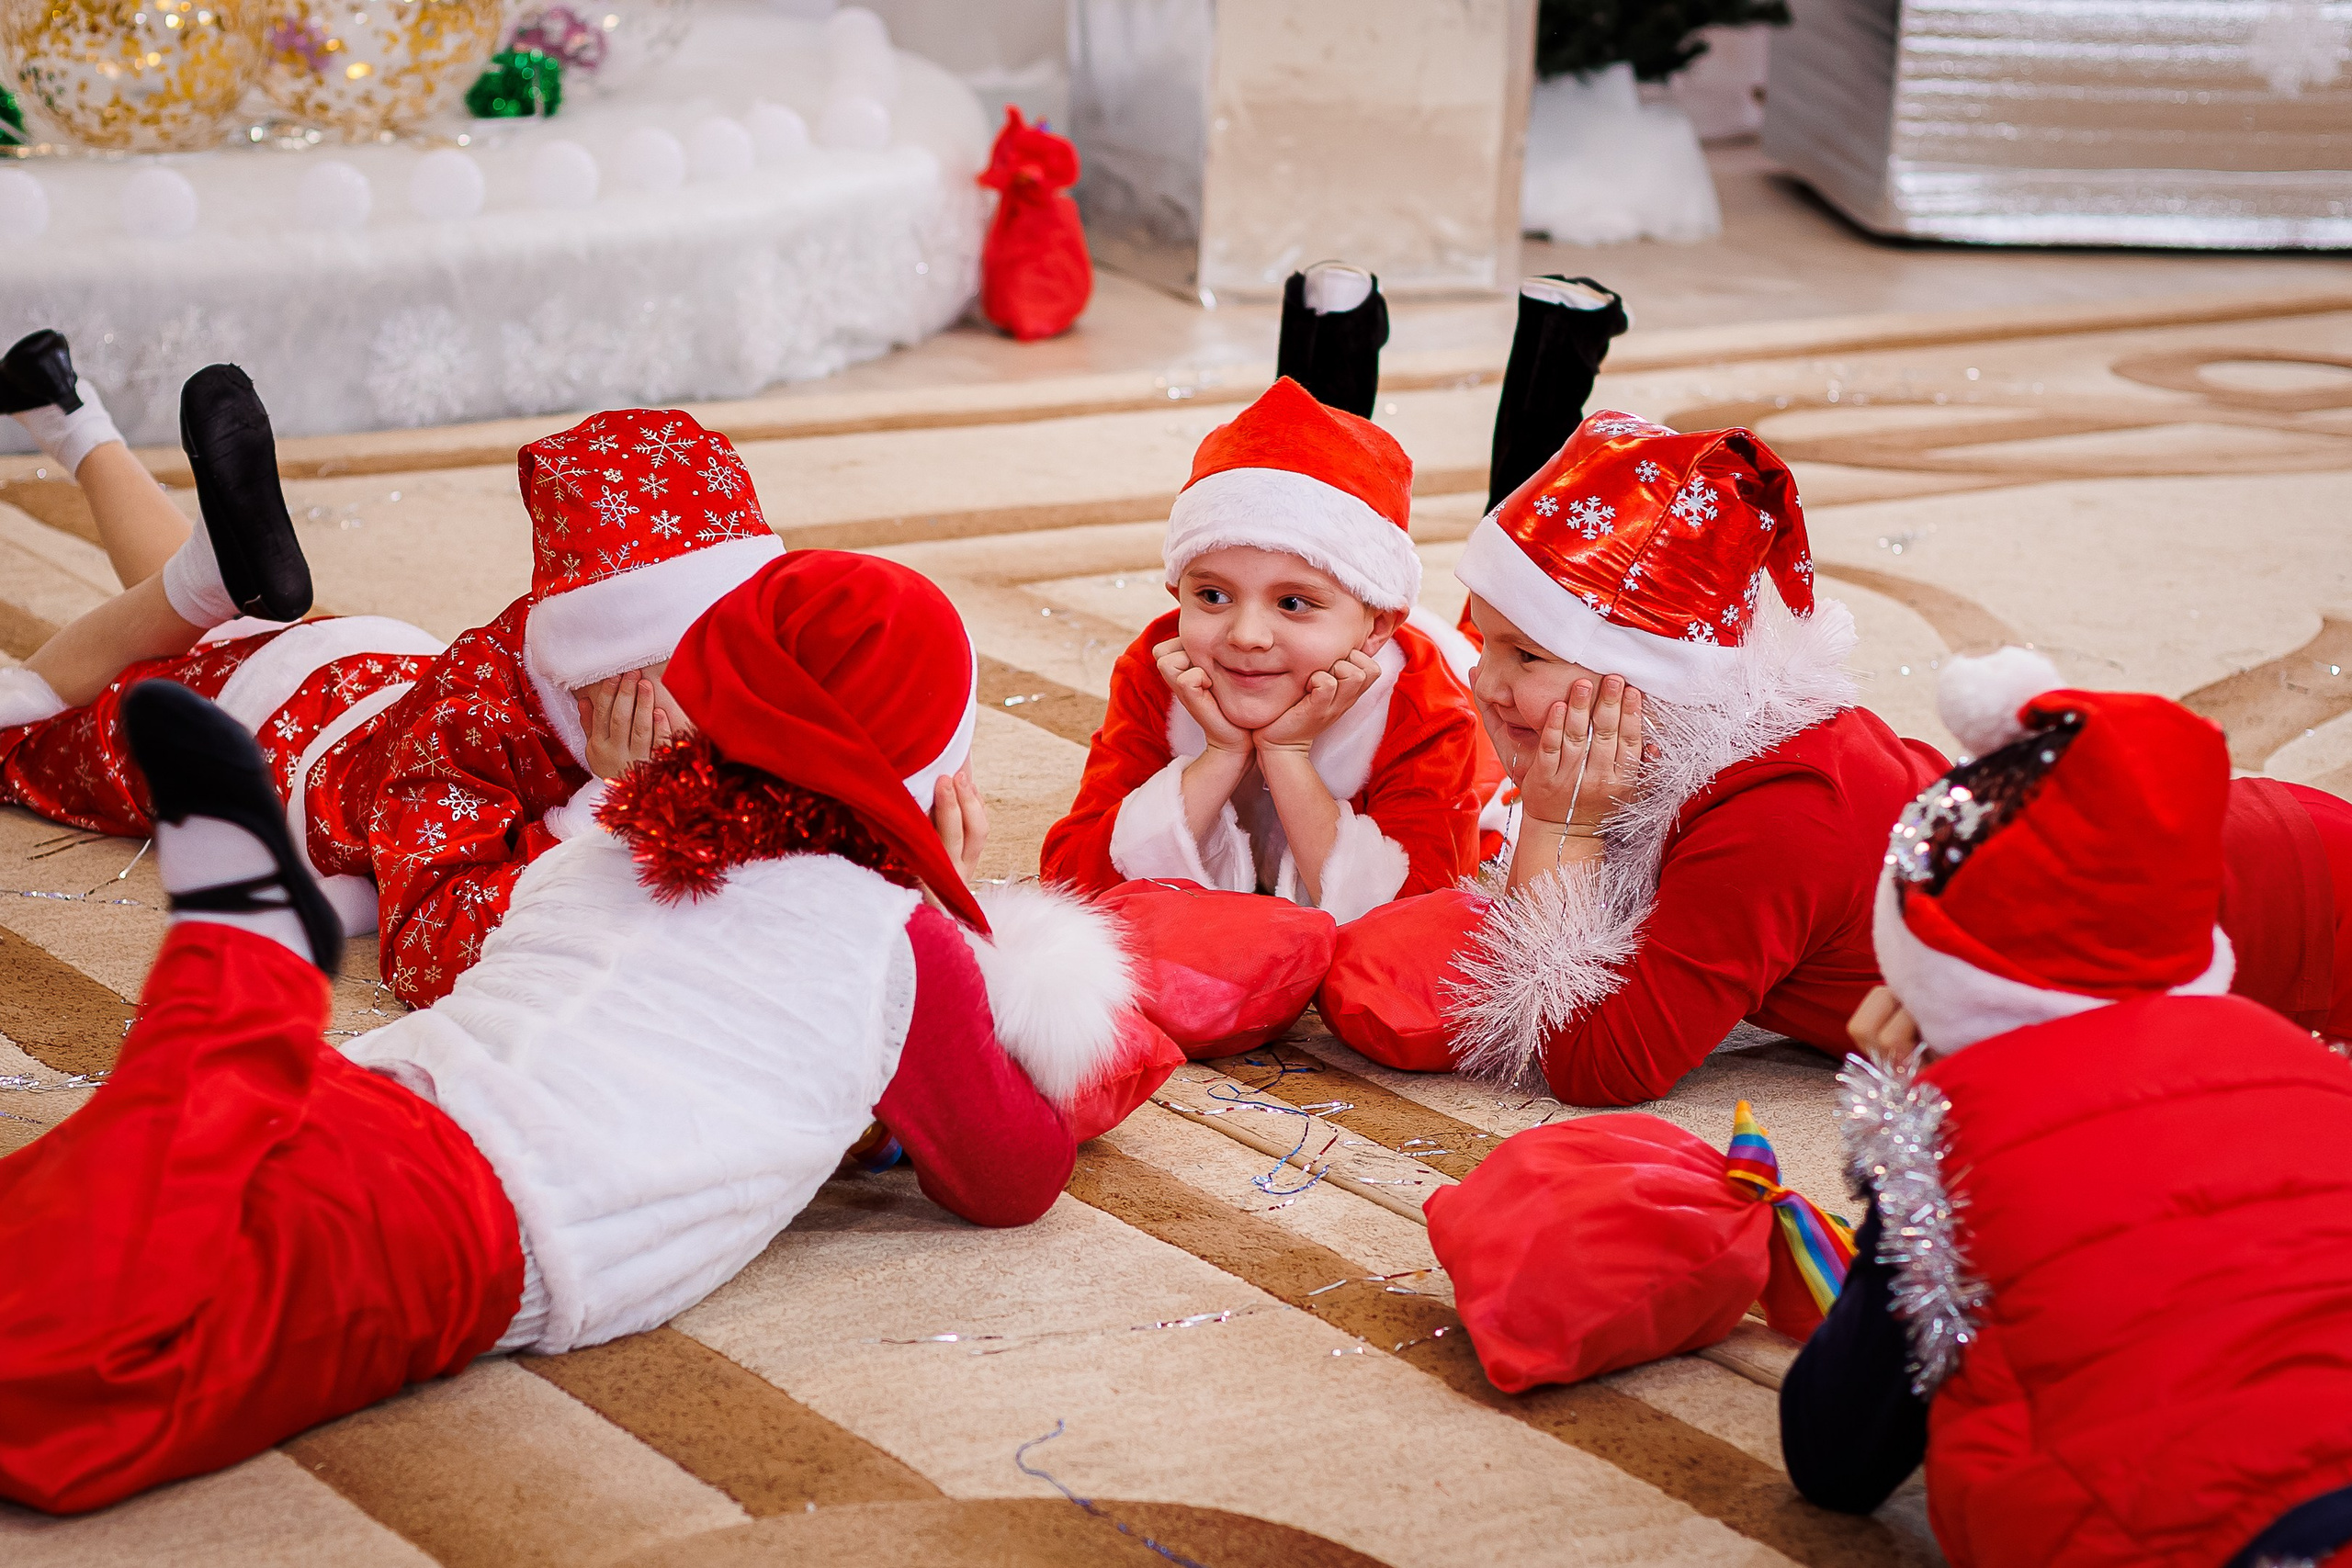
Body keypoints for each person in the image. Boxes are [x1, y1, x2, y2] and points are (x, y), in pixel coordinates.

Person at [0, 550, 1148, 1517]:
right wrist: (958, 918)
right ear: (923, 779)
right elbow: (1011, 1175)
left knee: (56, 1228)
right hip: (486, 1216)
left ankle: (234, 998)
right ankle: (234, 974)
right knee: (79, 1403)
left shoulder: (602, 837)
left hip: (382, 1089)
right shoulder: (901, 944)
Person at [0, 328, 787, 1004]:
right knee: (24, 729)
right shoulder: (465, 733)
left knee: (224, 623)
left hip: (370, 668)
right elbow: (427, 950)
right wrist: (602, 813)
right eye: (697, 669)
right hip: (260, 736)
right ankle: (193, 577)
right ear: (604, 670)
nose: (733, 699)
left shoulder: (620, 663)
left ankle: (75, 422)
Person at [1781, 655, 2352, 1568]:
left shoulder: (1960, 1132)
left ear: (1926, 957)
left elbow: (1833, 1452)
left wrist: (1901, 1131)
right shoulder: (2315, 1070)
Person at [1318, 410, 1947, 1100]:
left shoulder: (1772, 820)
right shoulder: (1686, 747)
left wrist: (1561, 829)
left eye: (1526, 654)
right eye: (1486, 640)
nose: (1483, 683)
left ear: (1651, 678)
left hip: (2063, 1021)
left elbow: (1598, 1064)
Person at [1039, 375, 1491, 925]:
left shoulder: (1424, 706)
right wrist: (1221, 755)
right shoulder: (1158, 667)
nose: (1246, 635)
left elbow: (1418, 921)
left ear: (1376, 628)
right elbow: (1070, 884)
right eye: (1212, 595)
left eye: (1294, 603)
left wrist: (1287, 754)